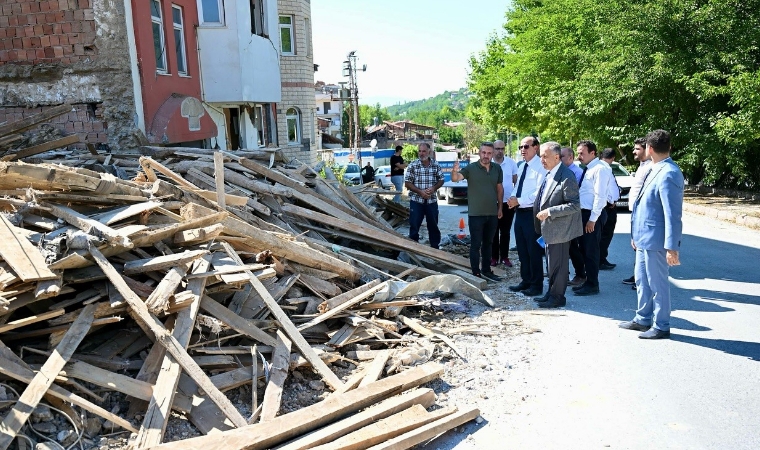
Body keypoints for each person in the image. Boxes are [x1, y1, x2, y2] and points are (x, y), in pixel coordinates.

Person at [619, 129, 683, 339]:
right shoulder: (653, 168)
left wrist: (672, 247)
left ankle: (662, 325)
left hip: (656, 241)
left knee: (658, 284)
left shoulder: (669, 173)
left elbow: (672, 214)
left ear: (650, 148)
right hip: (643, 237)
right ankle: (643, 318)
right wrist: (635, 235)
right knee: (642, 280)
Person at [533, 142, 583, 308]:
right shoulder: (550, 174)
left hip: (560, 230)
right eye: (541, 156)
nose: (542, 160)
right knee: (552, 264)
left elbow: (574, 205)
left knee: (559, 266)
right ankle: (551, 293)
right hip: (549, 229)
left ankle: (557, 297)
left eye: (545, 156)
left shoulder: (567, 175)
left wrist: (550, 212)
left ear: (556, 157)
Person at [451, 142, 504, 282]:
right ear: (479, 153)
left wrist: (500, 208)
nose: (486, 156)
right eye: (483, 152)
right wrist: (454, 171)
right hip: (476, 214)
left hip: (492, 213)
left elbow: (499, 189)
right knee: (476, 244)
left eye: (489, 153)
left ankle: (486, 270)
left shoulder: (497, 169)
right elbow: (455, 179)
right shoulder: (471, 168)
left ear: (492, 154)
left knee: (489, 244)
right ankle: (476, 273)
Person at [506, 136, 547, 296]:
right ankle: (526, 280)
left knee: (534, 251)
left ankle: (537, 285)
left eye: (526, 146)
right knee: (522, 250)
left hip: (532, 213)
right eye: (520, 147)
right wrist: (512, 199)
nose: (522, 150)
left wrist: (519, 200)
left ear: (536, 147)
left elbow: (539, 193)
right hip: (520, 213)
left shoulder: (541, 167)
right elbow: (519, 186)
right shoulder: (522, 166)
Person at [571, 140, 611, 296]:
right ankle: (588, 281)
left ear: (593, 153)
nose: (579, 156)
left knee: (591, 251)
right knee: (585, 250)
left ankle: (593, 284)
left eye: (582, 153)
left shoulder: (600, 169)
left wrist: (592, 219)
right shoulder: (589, 169)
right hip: (584, 214)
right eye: (578, 153)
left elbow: (600, 197)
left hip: (592, 215)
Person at [622, 138, 652, 288]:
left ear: (648, 149)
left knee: (642, 246)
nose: (634, 151)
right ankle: (637, 276)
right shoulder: (642, 166)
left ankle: (643, 280)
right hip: (635, 212)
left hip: (643, 213)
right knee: (637, 246)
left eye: (637, 149)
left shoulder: (651, 167)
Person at [404, 143, 444, 249]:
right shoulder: (413, 165)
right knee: (414, 225)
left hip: (431, 201)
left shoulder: (436, 165)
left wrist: (434, 188)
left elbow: (441, 180)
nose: (421, 154)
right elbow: (407, 183)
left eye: (424, 151)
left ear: (429, 152)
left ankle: (435, 248)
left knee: (433, 226)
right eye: (420, 151)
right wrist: (420, 192)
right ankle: (414, 248)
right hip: (416, 201)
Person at [491, 139, 519, 267]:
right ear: (493, 149)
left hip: (508, 203)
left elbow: (516, 182)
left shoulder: (511, 163)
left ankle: (505, 257)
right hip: (492, 203)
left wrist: (515, 199)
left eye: (502, 149)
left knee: (506, 231)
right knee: (493, 231)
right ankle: (494, 257)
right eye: (497, 149)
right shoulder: (488, 163)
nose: (500, 151)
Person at [562, 146, 586, 285]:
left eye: (563, 156)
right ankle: (564, 274)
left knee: (573, 247)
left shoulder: (577, 172)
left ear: (570, 157)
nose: (560, 158)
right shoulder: (563, 171)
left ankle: (580, 274)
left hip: (573, 213)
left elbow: (573, 195)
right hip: (564, 214)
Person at [599, 148, 621, 270]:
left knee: (603, 234)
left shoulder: (599, 166)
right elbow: (606, 188)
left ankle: (602, 258)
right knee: (606, 234)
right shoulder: (605, 168)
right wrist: (611, 201)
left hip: (605, 206)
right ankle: (600, 259)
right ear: (613, 158)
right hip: (607, 207)